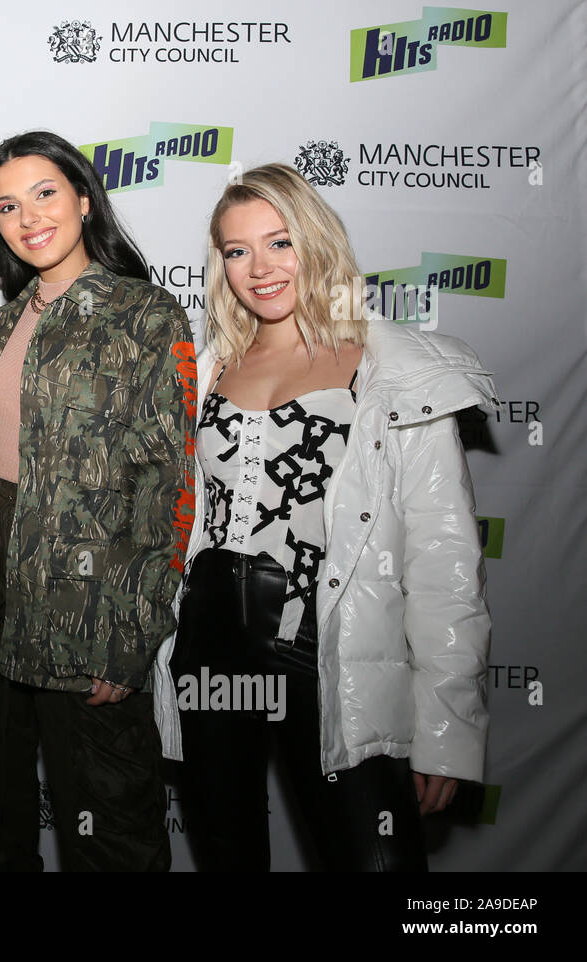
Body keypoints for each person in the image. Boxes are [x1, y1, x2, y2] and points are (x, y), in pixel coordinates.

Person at [152, 163, 495, 871]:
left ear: (316, 241)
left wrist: (445, 728)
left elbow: (443, 563)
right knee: (227, 854)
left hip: (333, 648)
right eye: (236, 250)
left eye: (279, 242)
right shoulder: (208, 365)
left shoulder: (396, 371)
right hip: (211, 644)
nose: (259, 267)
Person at [0, 130, 196, 871]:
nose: (27, 216)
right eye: (6, 205)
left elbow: (166, 484)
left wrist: (131, 633)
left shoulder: (147, 315)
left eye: (43, 194)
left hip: (82, 590)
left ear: (81, 199)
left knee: (108, 826)